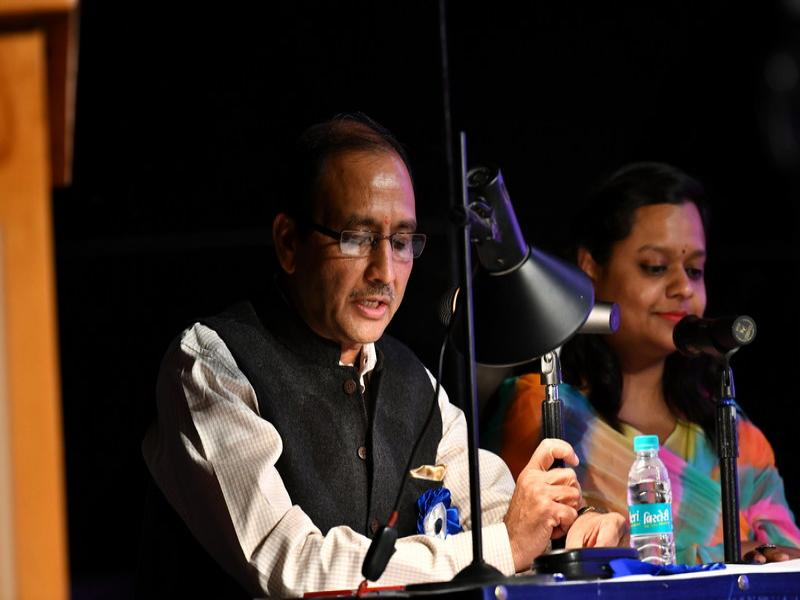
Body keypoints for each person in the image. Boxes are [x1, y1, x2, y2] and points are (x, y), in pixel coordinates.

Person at [139, 113, 626, 598]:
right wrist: (507, 545)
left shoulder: (415, 381)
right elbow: (291, 567)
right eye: (357, 238)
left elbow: (495, 510)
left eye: (401, 242)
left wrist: (566, 529)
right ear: (289, 243)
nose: (384, 272)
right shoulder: (213, 364)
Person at [488, 162, 800, 565]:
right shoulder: (544, 411)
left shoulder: (734, 430)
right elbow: (532, 550)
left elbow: (788, 561)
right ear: (591, 268)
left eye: (694, 270)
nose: (683, 287)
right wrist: (727, 555)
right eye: (655, 267)